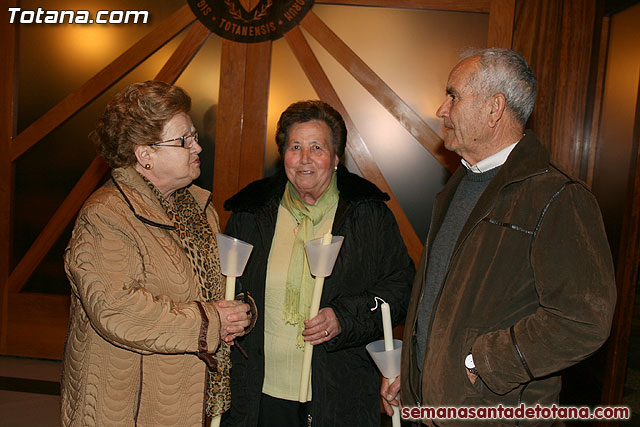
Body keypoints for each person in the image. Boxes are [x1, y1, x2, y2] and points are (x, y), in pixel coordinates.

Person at [381, 48, 617, 426]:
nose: (442, 109)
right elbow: (440, 304)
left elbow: (583, 320)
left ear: (494, 108)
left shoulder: (557, 197)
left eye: (453, 95)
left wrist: (484, 362)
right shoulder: (458, 187)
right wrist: (415, 379)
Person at [60, 81, 252, 426]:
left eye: (194, 136)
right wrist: (210, 322)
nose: (197, 147)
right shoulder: (106, 215)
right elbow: (118, 310)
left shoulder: (198, 208)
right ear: (145, 154)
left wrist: (236, 312)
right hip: (126, 405)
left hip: (189, 396)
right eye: (184, 140)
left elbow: (212, 289)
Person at [220, 100, 415, 426]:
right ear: (283, 155)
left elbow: (402, 289)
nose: (305, 158)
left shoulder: (367, 215)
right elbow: (226, 286)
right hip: (257, 392)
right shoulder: (252, 212)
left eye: (317, 147)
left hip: (339, 393)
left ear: (336, 158)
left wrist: (344, 316)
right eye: (295, 147)